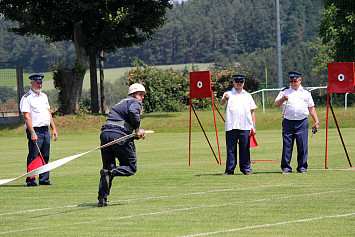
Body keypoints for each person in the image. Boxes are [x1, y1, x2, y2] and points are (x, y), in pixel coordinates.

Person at [97, 83, 147, 207]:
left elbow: (120, 124)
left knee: (106, 169)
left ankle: (102, 199)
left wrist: (136, 134)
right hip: (118, 135)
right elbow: (133, 113)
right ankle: (112, 172)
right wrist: (137, 129)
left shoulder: (119, 104)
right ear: (133, 94)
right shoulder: (134, 102)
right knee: (130, 168)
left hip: (105, 134)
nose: (142, 98)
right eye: (140, 94)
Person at [275, 71, 320, 174]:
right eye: (291, 81)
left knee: (302, 146)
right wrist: (282, 99)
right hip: (288, 122)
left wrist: (316, 121)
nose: (293, 83)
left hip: (302, 122)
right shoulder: (285, 91)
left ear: (300, 80)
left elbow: (311, 108)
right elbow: (276, 104)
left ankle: (302, 167)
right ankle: (286, 167)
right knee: (287, 146)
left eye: (295, 81)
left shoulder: (306, 92)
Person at [19, 74, 58, 187]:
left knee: (45, 155)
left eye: (40, 83)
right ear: (32, 83)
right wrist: (32, 132)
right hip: (35, 130)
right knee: (34, 155)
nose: (39, 85)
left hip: (45, 130)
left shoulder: (44, 96)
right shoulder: (27, 98)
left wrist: (53, 128)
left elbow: (48, 113)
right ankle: (31, 181)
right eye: (37, 83)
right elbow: (26, 117)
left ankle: (44, 179)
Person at [220, 74, 257, 176]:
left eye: (241, 82)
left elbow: (252, 111)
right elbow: (221, 103)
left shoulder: (247, 95)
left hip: (245, 126)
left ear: (244, 83)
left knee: (245, 148)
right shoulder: (228, 94)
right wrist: (225, 99)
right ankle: (229, 170)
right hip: (231, 126)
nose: (239, 84)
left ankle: (246, 169)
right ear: (233, 82)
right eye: (237, 82)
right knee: (231, 149)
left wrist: (253, 126)